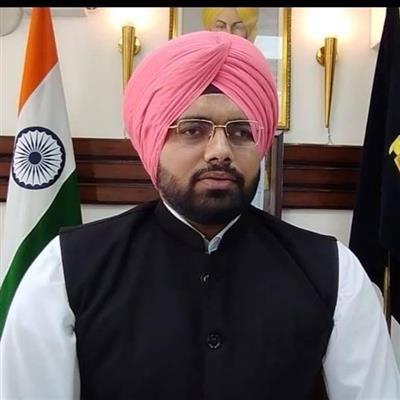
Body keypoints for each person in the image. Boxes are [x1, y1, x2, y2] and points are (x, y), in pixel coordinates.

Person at [1, 31, 399, 400]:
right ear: (153, 141)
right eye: (193, 129)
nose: (220, 151)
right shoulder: (68, 267)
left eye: (241, 131)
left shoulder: (333, 271)